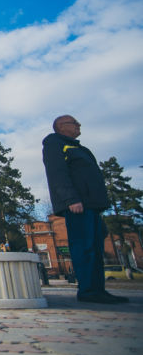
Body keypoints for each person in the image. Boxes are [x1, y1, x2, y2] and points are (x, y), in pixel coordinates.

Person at [42, 115, 128, 304]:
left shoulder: (80, 148)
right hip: (77, 205)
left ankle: (98, 289)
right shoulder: (55, 143)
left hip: (91, 205)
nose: (78, 125)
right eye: (74, 123)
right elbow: (57, 172)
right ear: (61, 126)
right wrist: (70, 198)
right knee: (84, 247)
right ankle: (88, 290)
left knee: (96, 247)